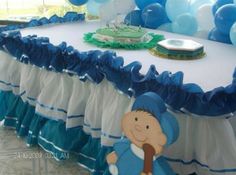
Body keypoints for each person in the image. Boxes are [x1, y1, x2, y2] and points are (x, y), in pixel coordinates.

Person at [106, 92, 179, 175]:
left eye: (147, 127)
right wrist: (114, 158)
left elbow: (154, 170)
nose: (138, 127)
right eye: (136, 119)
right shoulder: (127, 145)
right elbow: (117, 153)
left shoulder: (150, 157)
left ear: (161, 138)